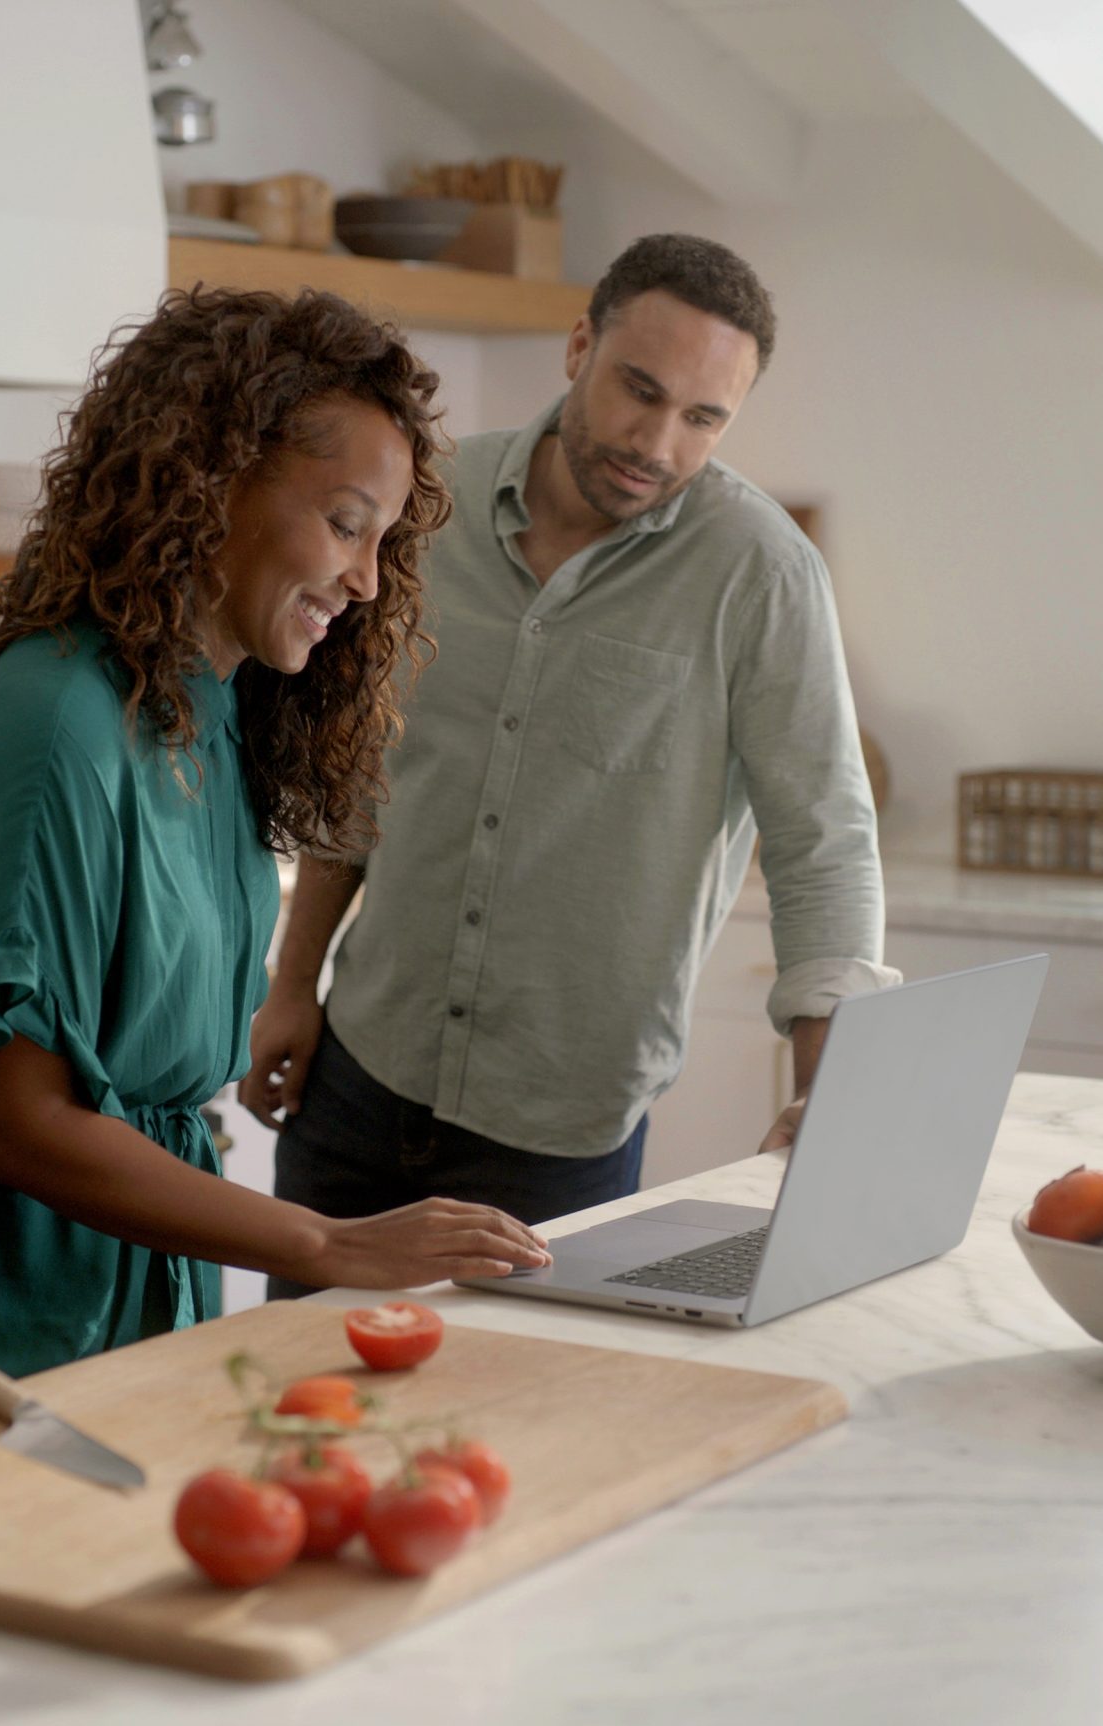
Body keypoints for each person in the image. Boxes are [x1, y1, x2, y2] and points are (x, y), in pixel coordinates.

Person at [0, 287, 549, 1438]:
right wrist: (327, 1245)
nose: (368, 581)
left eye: (384, 541)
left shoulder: (213, 707)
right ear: (212, 480)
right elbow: (10, 1120)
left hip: (105, 1328)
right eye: (346, 524)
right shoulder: (58, 726)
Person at [242, 234, 893, 1287]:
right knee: (289, 1407)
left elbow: (825, 844)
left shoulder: (760, 577)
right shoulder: (429, 505)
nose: (658, 440)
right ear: (579, 343)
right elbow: (357, 771)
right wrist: (292, 984)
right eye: (639, 390)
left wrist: (828, 1089)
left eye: (703, 417)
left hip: (558, 1135)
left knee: (514, 1437)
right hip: (358, 1074)